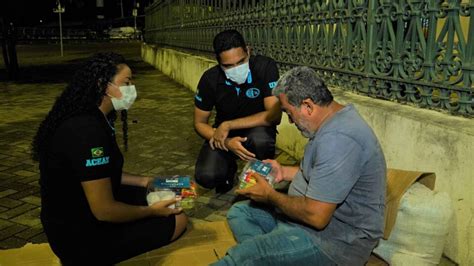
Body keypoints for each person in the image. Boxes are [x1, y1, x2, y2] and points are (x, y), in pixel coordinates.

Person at [214, 66, 387, 266]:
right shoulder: (331, 120)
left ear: (308, 106)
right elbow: (324, 173)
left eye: (289, 112)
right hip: (302, 225)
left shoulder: (339, 139)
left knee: (244, 257)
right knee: (241, 212)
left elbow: (316, 216)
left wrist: (270, 196)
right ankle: (271, 255)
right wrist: (284, 171)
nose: (289, 120)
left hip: (335, 242)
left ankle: (261, 255)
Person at [31, 52, 187, 265]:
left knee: (164, 193)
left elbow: (101, 174)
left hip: (78, 212)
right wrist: (151, 212)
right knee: (177, 218)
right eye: (126, 82)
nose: (131, 88)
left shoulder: (94, 116)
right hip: (79, 239)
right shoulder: (87, 131)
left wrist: (146, 181)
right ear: (103, 85)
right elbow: (104, 210)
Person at [194, 29, 281, 193]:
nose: (236, 69)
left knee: (261, 140)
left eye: (241, 62)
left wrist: (229, 124)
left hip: (256, 130)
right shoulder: (210, 79)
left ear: (248, 51)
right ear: (218, 62)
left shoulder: (265, 67)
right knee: (206, 176)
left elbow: (274, 115)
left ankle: (261, 177)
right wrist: (226, 143)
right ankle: (228, 171)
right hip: (224, 136)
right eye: (228, 66)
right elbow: (199, 123)